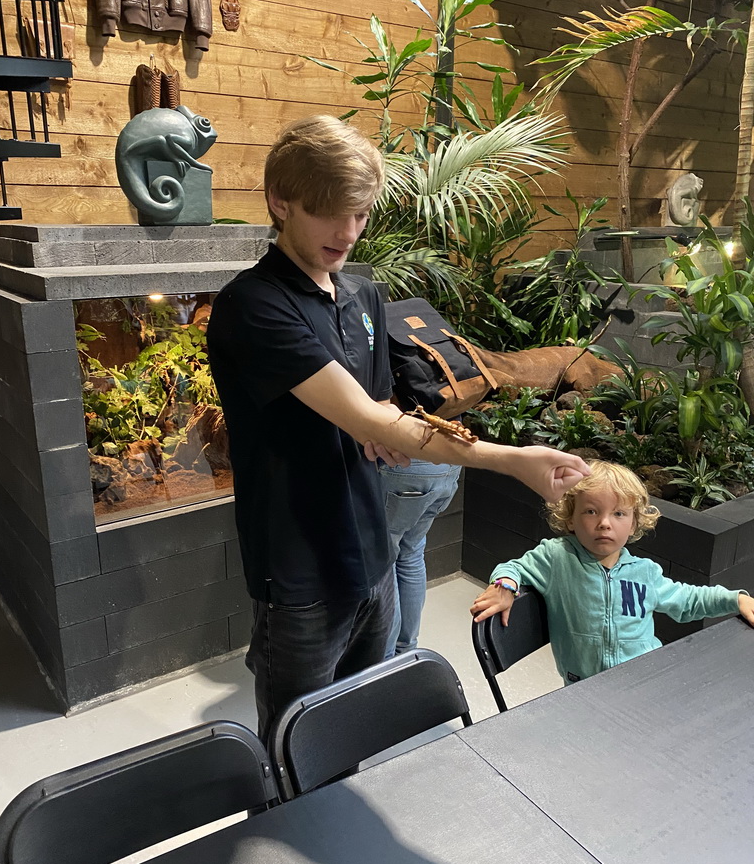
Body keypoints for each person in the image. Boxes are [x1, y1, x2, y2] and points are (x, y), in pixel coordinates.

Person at [207, 113, 589, 739]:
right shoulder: (255, 305)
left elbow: (390, 417)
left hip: (374, 551)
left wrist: (384, 427)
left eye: (359, 214)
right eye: (330, 212)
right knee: (294, 745)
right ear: (281, 202)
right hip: (300, 568)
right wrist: (511, 457)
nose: (348, 232)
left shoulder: (362, 298)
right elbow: (370, 418)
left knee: (357, 725)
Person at [469, 459, 754, 684]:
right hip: (584, 689)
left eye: (619, 514)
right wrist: (505, 586)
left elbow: (687, 600)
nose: (605, 523)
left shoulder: (645, 572)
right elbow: (514, 567)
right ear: (570, 519)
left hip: (645, 679)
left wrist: (736, 599)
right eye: (591, 511)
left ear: (633, 525)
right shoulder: (557, 558)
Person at [380, 458, 461, 657]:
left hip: (405, 464)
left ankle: (386, 658)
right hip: (449, 465)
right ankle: (406, 650)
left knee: (384, 559)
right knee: (411, 552)